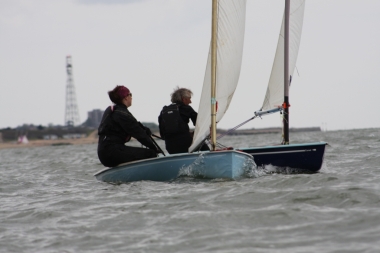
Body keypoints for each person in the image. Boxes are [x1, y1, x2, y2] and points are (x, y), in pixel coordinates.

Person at [97, 85, 159, 167]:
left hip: (105, 153)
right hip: (111, 153)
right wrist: (155, 149)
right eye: (130, 94)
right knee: (150, 153)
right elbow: (139, 134)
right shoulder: (122, 114)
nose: (131, 97)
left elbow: (135, 126)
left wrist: (144, 129)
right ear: (126, 97)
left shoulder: (116, 111)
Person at [158, 87, 209, 154]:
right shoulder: (186, 108)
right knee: (206, 151)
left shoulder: (164, 111)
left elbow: (162, 134)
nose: (190, 101)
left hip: (170, 146)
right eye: (189, 98)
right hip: (186, 144)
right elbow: (200, 123)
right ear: (183, 99)